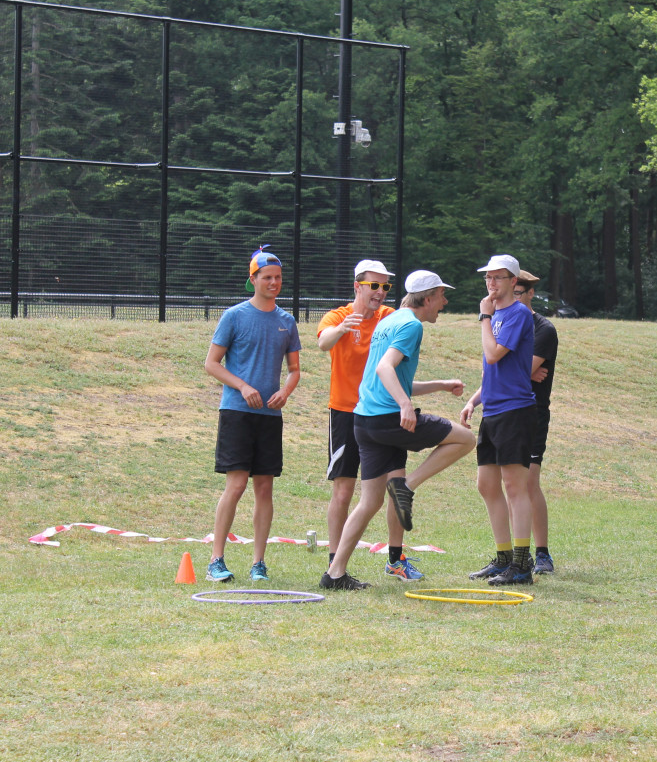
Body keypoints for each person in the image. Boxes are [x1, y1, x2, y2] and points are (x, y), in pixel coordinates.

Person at [320, 270, 475, 590]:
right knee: (466, 438)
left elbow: (389, 380)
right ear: (428, 298)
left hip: (364, 422)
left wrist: (440, 386)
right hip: (389, 420)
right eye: (442, 297)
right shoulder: (410, 325)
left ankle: (334, 574)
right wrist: (405, 406)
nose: (444, 304)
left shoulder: (388, 321)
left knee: (370, 501)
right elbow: (384, 368)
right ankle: (407, 486)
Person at [202, 246, 302, 583]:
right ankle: (216, 559)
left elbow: (294, 370)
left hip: (269, 417)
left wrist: (285, 392)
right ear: (253, 279)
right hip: (237, 413)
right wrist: (243, 387)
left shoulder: (286, 321)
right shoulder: (234, 316)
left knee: (264, 489)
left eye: (278, 278)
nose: (274, 283)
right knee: (237, 484)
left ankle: (259, 563)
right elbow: (211, 364)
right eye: (267, 278)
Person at [317, 259, 419, 582]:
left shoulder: (389, 319)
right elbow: (322, 342)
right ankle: (337, 564)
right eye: (373, 286)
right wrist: (342, 328)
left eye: (385, 287)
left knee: (396, 486)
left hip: (380, 414)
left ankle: (395, 559)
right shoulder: (338, 315)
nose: (379, 293)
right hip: (346, 413)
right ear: (357, 286)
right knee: (344, 491)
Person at [460, 254, 538, 586]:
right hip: (492, 410)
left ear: (513, 282)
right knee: (486, 485)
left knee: (514, 486)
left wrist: (483, 317)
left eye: (498, 278)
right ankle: (503, 557)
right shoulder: (496, 316)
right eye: (488, 278)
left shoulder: (518, 314)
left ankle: (521, 564)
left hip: (515, 411)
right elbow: (494, 368)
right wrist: (474, 399)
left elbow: (494, 354)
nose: (491, 283)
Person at [512, 269, 559, 574]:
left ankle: (541, 553)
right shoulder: (504, 323)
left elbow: (519, 367)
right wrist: (522, 369)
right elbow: (497, 363)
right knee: (506, 484)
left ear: (529, 294)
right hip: (504, 410)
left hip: (532, 412)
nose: (510, 298)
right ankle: (515, 553)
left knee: (529, 482)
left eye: (517, 293)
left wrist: (521, 368)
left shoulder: (544, 329)